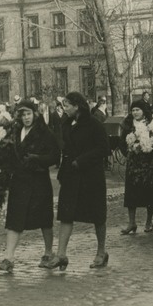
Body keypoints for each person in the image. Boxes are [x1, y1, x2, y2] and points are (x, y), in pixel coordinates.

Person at [44, 92, 110, 271]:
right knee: (66, 214)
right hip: (70, 175)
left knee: (97, 215)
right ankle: (61, 255)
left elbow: (103, 149)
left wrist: (81, 160)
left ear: (77, 106)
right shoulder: (66, 123)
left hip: (91, 176)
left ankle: (101, 252)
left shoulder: (94, 124)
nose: (64, 109)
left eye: (67, 106)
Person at [0, 100, 60, 272]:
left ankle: (48, 253)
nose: (26, 118)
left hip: (38, 181)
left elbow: (55, 156)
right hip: (19, 181)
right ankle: (8, 258)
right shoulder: (16, 131)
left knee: (44, 219)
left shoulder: (45, 133)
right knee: (14, 218)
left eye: (28, 114)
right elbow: (9, 153)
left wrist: (37, 159)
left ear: (35, 114)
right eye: (22, 115)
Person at [119, 99, 153, 234]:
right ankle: (131, 222)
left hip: (149, 162)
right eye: (133, 110)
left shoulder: (152, 124)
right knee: (131, 194)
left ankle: (149, 221)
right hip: (134, 163)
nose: (135, 112)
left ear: (144, 111)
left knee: (149, 193)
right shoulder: (128, 125)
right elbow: (122, 142)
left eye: (137, 110)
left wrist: (150, 148)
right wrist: (129, 151)